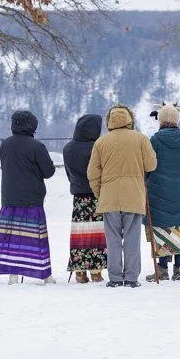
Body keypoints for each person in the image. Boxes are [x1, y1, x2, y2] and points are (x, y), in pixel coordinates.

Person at [0, 110, 57, 284]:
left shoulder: (5, 144)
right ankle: (45, 275)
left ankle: (13, 275)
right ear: (32, 126)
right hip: (32, 198)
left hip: (9, 196)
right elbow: (49, 172)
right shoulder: (37, 146)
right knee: (36, 237)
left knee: (11, 236)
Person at [88, 104, 158, 288]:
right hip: (134, 195)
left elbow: (92, 173)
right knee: (132, 238)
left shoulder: (101, 142)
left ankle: (115, 278)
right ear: (129, 120)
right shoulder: (140, 139)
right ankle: (132, 277)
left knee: (113, 240)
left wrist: (100, 193)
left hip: (109, 197)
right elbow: (151, 165)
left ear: (109, 121)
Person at [145, 103, 180, 281]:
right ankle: (178, 268)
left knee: (161, 227)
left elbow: (149, 164)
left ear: (161, 119)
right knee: (176, 227)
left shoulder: (155, 140)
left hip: (158, 188)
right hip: (178, 188)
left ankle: (162, 267)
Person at [63, 114, 107, 284]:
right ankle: (96, 271)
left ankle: (79, 272)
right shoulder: (98, 147)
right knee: (97, 232)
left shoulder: (68, 148)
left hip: (78, 196)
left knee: (79, 232)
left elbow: (69, 174)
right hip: (96, 195)